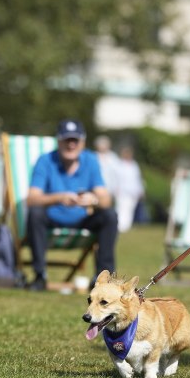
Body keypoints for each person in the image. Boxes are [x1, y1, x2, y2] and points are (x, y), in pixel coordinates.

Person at [26, 119, 118, 291]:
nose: (71, 145)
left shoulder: (91, 160)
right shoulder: (45, 161)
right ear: (58, 140)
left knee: (109, 215)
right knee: (35, 213)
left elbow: (106, 199)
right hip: (52, 218)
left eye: (75, 140)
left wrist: (93, 200)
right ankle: (40, 276)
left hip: (83, 219)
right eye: (67, 140)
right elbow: (31, 198)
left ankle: (104, 280)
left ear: (82, 142)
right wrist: (59, 197)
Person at [114, 146, 145, 232]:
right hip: (122, 191)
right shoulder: (119, 165)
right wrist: (116, 189)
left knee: (130, 209)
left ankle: (126, 226)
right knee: (121, 208)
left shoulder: (134, 165)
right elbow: (116, 179)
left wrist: (140, 190)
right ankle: (119, 225)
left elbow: (137, 179)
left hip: (133, 192)